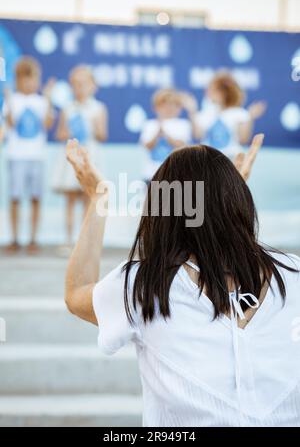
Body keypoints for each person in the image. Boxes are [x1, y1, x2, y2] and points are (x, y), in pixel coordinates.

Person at [64, 134, 300, 427]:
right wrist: (220, 202)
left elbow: (76, 293)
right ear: (239, 200)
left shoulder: (145, 285)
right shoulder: (293, 274)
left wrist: (99, 197)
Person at [1, 56, 54, 253]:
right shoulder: (12, 100)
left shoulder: (41, 101)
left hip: (37, 157)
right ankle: (14, 238)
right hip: (16, 156)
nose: (30, 83)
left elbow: (47, 124)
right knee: (15, 197)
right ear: (18, 79)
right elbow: (12, 123)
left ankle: (33, 238)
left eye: (33, 79)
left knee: (35, 197)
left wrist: (48, 98)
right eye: (25, 79)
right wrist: (8, 101)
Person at [53, 65, 108, 251]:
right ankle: (68, 240)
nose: (80, 88)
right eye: (75, 84)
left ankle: (84, 243)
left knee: (88, 198)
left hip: (89, 157)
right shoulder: (67, 109)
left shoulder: (98, 108)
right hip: (72, 158)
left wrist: (91, 124)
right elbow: (60, 134)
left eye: (84, 84)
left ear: (93, 86)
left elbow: (102, 135)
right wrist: (68, 131)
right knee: (70, 199)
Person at [194, 71, 266, 158]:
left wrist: (250, 117)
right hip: (208, 160)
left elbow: (243, 139)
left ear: (224, 92)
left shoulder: (239, 113)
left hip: (231, 160)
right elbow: (198, 135)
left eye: (212, 89)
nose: (207, 93)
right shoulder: (205, 113)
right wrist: (192, 110)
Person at [140, 89, 192, 182]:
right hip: (152, 173)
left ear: (179, 108)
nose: (168, 108)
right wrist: (157, 134)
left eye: (173, 105)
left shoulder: (183, 124)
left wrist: (166, 135)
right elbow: (147, 146)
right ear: (156, 108)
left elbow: (183, 146)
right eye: (164, 105)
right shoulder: (150, 124)